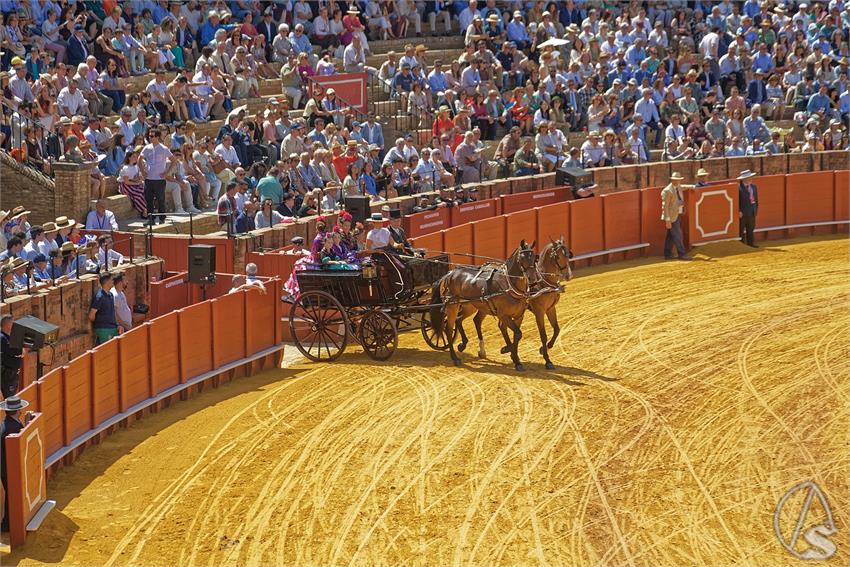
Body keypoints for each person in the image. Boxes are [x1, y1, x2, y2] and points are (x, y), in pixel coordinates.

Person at [1, 396, 34, 532]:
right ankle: (7, 525)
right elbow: (20, 443)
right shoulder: (13, 427)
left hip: (5, 466)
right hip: (9, 468)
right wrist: (27, 426)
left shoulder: (7, 423)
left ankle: (7, 524)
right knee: (12, 495)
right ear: (18, 410)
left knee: (11, 495)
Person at [660, 172, 692, 261]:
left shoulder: (678, 187)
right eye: (675, 180)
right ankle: (682, 254)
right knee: (678, 235)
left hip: (677, 214)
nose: (677, 181)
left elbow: (684, 187)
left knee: (670, 236)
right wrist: (667, 220)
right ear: (672, 180)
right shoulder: (667, 191)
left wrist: (693, 186)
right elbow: (665, 206)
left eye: (678, 180)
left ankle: (668, 254)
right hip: (671, 217)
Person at [89, 272, 122, 345]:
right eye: (111, 280)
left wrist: (117, 325)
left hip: (112, 328)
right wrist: (99, 324)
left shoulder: (110, 295)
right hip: (104, 329)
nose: (113, 281)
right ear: (107, 282)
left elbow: (112, 312)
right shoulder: (100, 297)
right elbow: (91, 315)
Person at [1, 315, 24, 398]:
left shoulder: (6, 337)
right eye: (12, 323)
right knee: (10, 399)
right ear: (7, 324)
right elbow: (15, 351)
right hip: (7, 374)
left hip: (10, 374)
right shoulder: (2, 338)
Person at [738, 169, 759, 248]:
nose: (750, 179)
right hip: (742, 213)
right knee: (741, 230)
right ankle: (742, 246)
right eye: (748, 177)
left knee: (751, 229)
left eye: (750, 177)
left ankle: (751, 244)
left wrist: (755, 209)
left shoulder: (754, 187)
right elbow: (736, 201)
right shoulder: (738, 188)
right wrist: (738, 211)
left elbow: (756, 199)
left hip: (751, 211)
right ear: (743, 179)